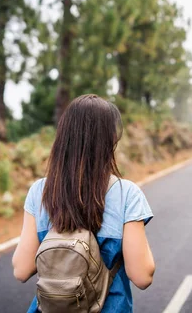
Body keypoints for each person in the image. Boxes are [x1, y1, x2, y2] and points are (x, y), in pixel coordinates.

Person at [12, 94, 156, 312]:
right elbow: (142, 276)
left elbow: (21, 270)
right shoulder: (127, 194)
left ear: (63, 137)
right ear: (110, 140)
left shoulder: (40, 191)